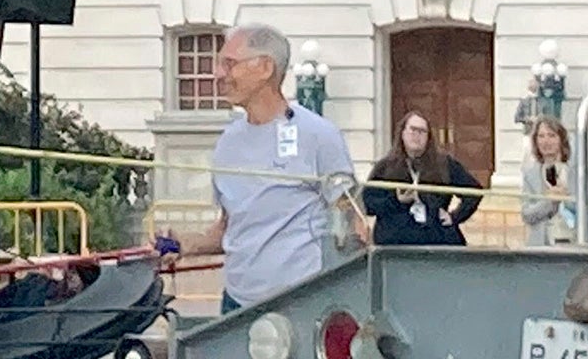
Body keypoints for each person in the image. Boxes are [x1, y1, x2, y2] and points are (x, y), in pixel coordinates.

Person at [171, 24, 361, 313]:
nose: (219, 74)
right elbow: (229, 228)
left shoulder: (320, 136)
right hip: (235, 306)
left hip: (301, 304)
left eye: (229, 64)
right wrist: (182, 245)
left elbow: (351, 225)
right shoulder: (227, 143)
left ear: (265, 68)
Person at [361, 109, 483, 247]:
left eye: (422, 131)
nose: (417, 135)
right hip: (395, 243)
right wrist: (396, 201)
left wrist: (455, 217)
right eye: (413, 130)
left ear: (428, 137)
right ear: (402, 133)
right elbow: (368, 203)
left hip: (436, 241)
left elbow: (474, 192)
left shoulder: (444, 164)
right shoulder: (385, 167)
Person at [516, 116, 575, 245]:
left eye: (551, 135)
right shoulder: (530, 175)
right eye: (541, 136)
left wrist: (567, 199)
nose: (546, 141)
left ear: (561, 139)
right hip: (540, 247)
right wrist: (549, 202)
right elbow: (526, 214)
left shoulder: (576, 172)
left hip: (571, 242)